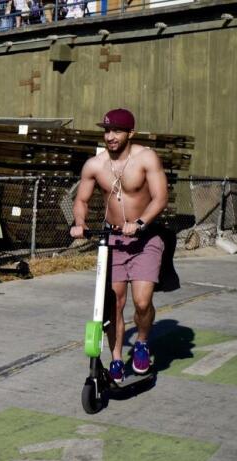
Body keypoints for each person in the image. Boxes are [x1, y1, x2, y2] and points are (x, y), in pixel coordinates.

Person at [69, 108, 169, 383]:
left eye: (117, 131)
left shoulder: (146, 158)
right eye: (107, 130)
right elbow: (82, 200)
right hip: (112, 240)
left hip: (145, 238)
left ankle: (142, 343)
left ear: (130, 133)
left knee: (142, 301)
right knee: (114, 305)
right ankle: (115, 358)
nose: (110, 136)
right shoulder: (94, 165)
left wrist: (140, 222)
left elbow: (160, 198)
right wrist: (79, 222)